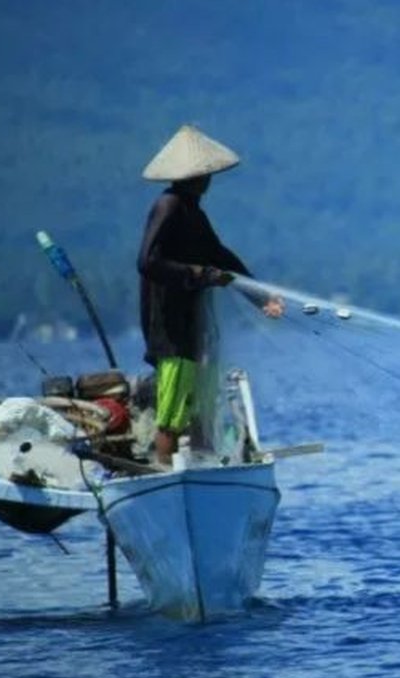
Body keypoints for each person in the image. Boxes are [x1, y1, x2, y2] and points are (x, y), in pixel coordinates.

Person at [137, 124, 284, 465]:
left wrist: (261, 297)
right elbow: (147, 262)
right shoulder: (168, 206)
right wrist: (199, 275)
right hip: (170, 328)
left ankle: (204, 467)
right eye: (204, 174)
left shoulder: (194, 213)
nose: (209, 180)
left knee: (203, 406)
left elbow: (219, 256)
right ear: (191, 177)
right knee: (172, 415)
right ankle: (165, 470)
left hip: (194, 324)